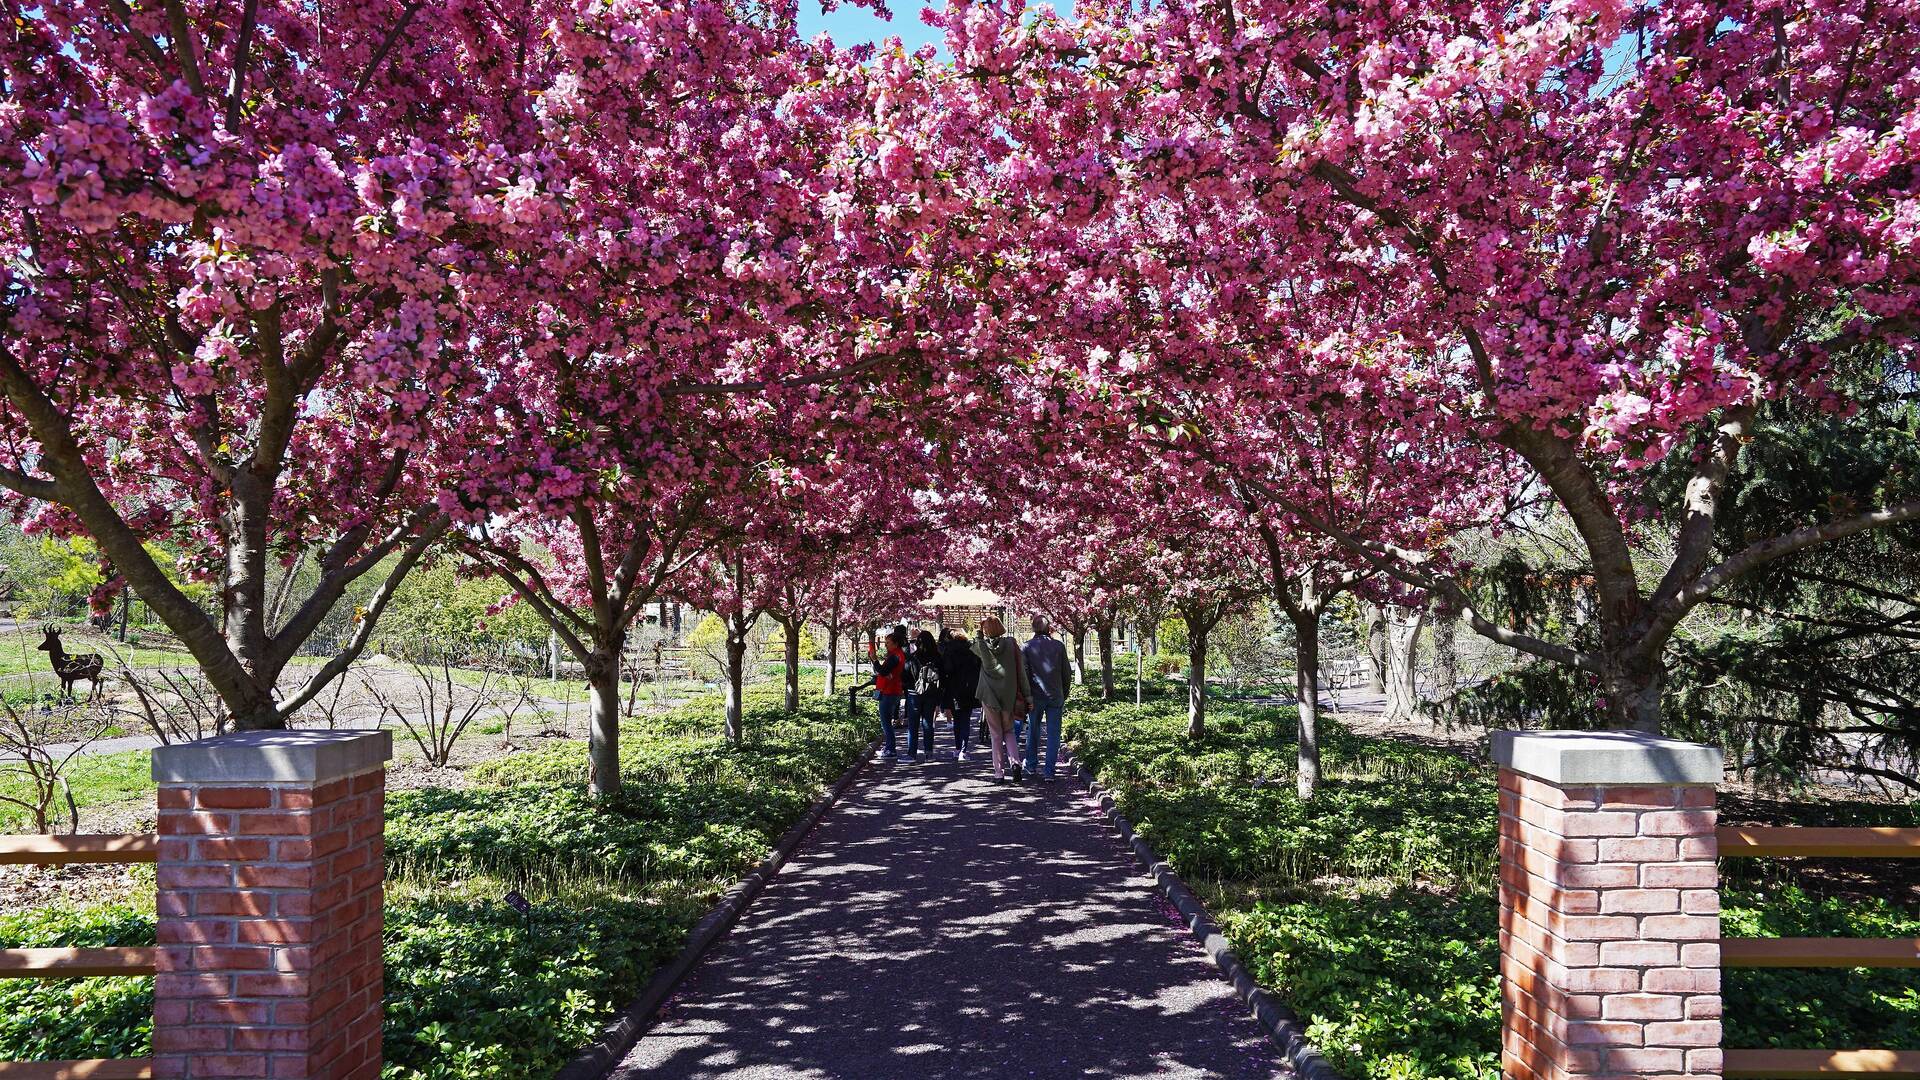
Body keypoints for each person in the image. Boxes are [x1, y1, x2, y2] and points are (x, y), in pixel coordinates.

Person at [972, 616, 1027, 782]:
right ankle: (1015, 763)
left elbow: (974, 646)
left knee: (996, 735)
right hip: (1008, 694)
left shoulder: (981, 646)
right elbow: (1021, 671)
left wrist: (979, 633)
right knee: (1008, 731)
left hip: (989, 695)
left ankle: (999, 773)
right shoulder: (1011, 645)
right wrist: (1027, 694)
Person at [1021, 615, 1072, 781]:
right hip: (1055, 694)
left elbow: (1024, 675)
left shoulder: (1027, 647)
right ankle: (1049, 772)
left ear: (1034, 628)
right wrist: (1064, 693)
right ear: (1048, 628)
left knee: (1033, 730)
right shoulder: (1059, 646)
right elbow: (1066, 673)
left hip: (1035, 696)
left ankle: (1030, 765)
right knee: (1054, 734)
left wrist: (1026, 695)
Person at [870, 625, 909, 760]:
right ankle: (888, 747)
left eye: (888, 643)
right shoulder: (898, 655)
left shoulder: (895, 656)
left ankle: (890, 749)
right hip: (892, 690)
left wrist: (875, 659)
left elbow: (883, 671)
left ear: (896, 643)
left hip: (889, 691)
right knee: (886, 721)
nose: (886, 646)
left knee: (885, 721)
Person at [942, 628, 981, 759]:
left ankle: (958, 748)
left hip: (954, 689)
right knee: (965, 720)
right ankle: (964, 751)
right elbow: (978, 667)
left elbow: (947, 669)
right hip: (969, 689)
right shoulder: (971, 649)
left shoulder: (949, 650)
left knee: (957, 720)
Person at [906, 629, 943, 760]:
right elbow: (942, 678)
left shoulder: (913, 657)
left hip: (914, 693)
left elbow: (905, 675)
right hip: (931, 694)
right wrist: (939, 700)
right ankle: (929, 752)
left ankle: (912, 754)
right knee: (928, 723)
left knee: (913, 725)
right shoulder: (938, 657)